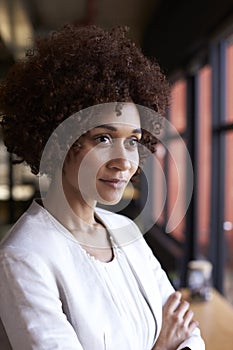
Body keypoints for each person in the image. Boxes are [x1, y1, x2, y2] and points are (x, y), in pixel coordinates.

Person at [0, 24, 205, 350]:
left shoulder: (127, 231)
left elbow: (190, 336)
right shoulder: (24, 258)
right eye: (103, 138)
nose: (124, 161)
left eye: (133, 141)